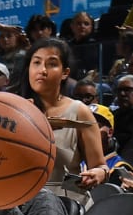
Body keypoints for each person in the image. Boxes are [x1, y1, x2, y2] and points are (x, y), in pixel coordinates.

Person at [22, 38, 107, 201]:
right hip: (24, 202)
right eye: (36, 63)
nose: (42, 70)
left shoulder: (79, 111)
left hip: (67, 203)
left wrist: (99, 173)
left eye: (52, 64)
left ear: (65, 73)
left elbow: (100, 166)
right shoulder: (15, 110)